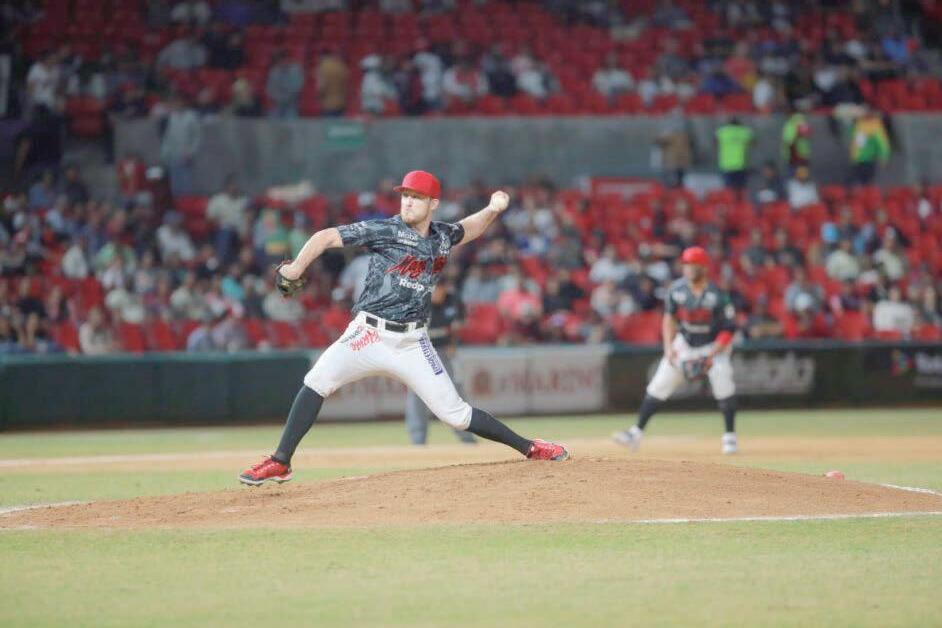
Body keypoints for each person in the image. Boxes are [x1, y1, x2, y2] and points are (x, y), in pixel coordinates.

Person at [239, 171, 570, 485]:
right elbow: (325, 237)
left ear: (433, 203)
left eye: (417, 197)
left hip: (412, 341)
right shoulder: (385, 230)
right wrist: (296, 268)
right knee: (317, 381)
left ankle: (530, 447)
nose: (408, 202)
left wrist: (493, 209)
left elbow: (469, 228)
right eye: (405, 195)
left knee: (456, 415)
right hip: (368, 334)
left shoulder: (442, 236)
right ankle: (281, 461)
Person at [612, 247, 739, 455]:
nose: (688, 269)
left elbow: (729, 329)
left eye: (693, 265)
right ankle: (636, 433)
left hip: (712, 344)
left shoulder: (717, 294)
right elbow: (669, 318)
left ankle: (729, 437)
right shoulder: (677, 289)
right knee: (659, 383)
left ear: (704, 268)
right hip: (686, 342)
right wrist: (669, 347)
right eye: (686, 264)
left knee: (723, 381)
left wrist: (712, 354)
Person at [404, 281, 476, 446]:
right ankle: (418, 440)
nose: (438, 293)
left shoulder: (452, 300)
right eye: (435, 289)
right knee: (417, 394)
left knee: (456, 391)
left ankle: (467, 437)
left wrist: (453, 342)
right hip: (420, 353)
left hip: (445, 352)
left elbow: (459, 324)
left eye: (441, 289)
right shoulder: (419, 302)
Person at [715, 116, 754, 191]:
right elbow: (753, 143)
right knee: (741, 189)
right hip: (741, 164)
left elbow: (715, 142)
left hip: (726, 165)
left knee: (729, 190)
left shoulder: (722, 131)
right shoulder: (744, 131)